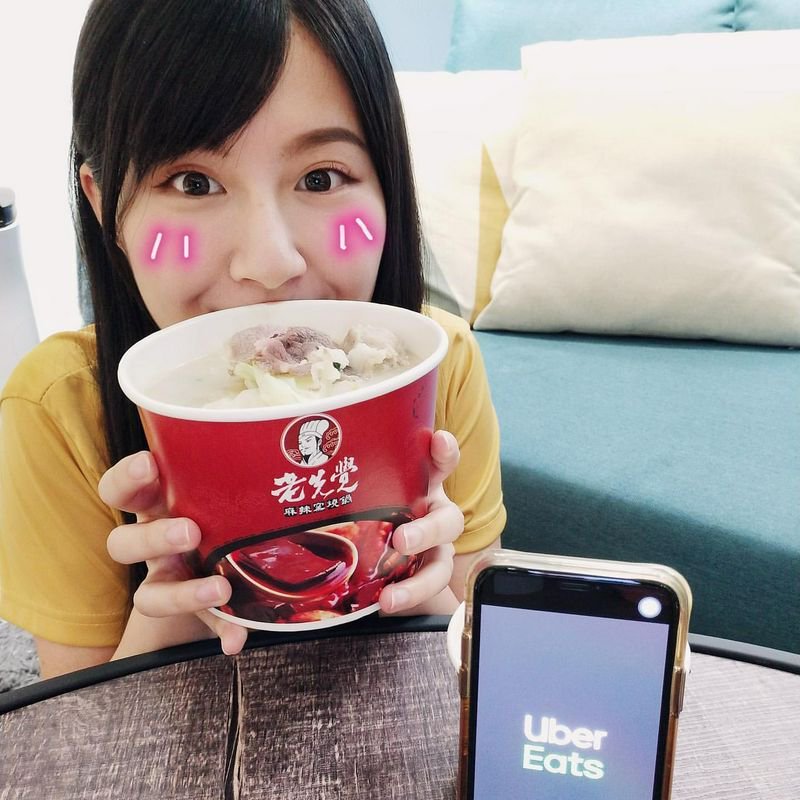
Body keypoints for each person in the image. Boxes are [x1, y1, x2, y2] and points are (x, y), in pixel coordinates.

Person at [0, 0, 505, 679]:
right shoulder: (56, 410)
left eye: (321, 178)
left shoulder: (441, 366)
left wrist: (424, 578)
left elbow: (477, 666)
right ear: (103, 205)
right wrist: (173, 604)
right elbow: (75, 719)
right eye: (194, 183)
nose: (270, 262)